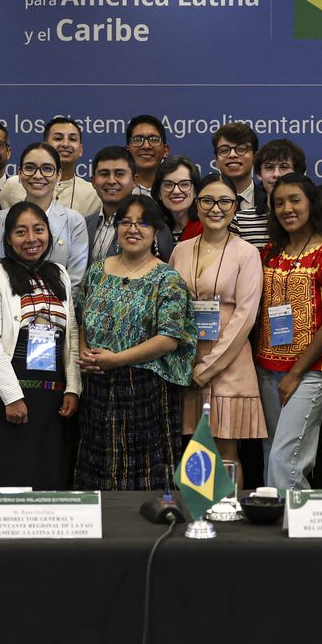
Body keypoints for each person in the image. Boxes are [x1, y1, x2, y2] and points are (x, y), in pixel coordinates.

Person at [75, 197, 196, 490]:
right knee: (98, 466)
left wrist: (116, 359)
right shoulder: (97, 270)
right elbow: (81, 316)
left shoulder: (167, 278)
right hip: (97, 384)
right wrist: (83, 349)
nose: (133, 229)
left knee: (144, 474)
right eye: (126, 222)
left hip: (145, 387)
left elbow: (169, 339)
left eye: (143, 223)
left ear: (156, 232)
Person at [0, 202, 83, 489]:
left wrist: (73, 387)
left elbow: (71, 334)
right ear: (8, 238)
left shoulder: (60, 273)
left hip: (52, 395)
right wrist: (12, 397)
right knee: (5, 477)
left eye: (39, 230)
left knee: (48, 475)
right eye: (21, 232)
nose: (31, 239)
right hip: (4, 393)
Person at [171, 174, 265, 488]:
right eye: (208, 200)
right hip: (188, 360)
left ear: (235, 207)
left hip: (230, 362)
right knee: (196, 448)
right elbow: (170, 307)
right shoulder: (181, 250)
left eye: (225, 201)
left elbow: (245, 316)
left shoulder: (246, 253)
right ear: (197, 205)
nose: (216, 208)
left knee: (225, 450)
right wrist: (185, 363)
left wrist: (209, 367)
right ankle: (199, 518)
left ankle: (229, 525)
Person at [254, 173, 322, 489]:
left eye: (295, 200)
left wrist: (295, 373)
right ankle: (280, 525)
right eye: (279, 203)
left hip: (310, 373)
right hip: (266, 369)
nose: (287, 208)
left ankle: (299, 533)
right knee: (272, 454)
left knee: (285, 461)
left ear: (312, 203)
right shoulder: (269, 252)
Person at [0, 143, 89, 298]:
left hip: (58, 313)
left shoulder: (74, 221)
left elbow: (74, 283)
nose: (38, 175)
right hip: (9, 311)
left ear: (58, 175)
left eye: (47, 169)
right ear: (19, 173)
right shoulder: (1, 219)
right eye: (29, 168)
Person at [0, 117, 102, 216]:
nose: (65, 144)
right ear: (45, 146)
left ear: (80, 150)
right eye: (58, 138)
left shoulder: (93, 194)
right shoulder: (13, 186)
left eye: (72, 139)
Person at [87, 146, 173, 260]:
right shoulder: (84, 225)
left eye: (119, 174)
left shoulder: (152, 223)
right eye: (104, 174)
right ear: (93, 181)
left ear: (135, 180)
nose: (111, 181)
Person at [213, 122, 269, 248]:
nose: (232, 155)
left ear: (255, 156)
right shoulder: (204, 202)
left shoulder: (271, 200)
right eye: (224, 150)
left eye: (241, 149)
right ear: (216, 160)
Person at [153, 155, 201, 242]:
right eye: (168, 185)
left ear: (195, 192)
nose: (176, 191)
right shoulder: (153, 231)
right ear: (159, 193)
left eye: (184, 184)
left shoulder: (207, 229)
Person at [126, 114, 170, 195]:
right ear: (127, 150)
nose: (146, 146)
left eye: (153, 139)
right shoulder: (116, 190)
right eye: (138, 139)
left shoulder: (177, 190)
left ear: (165, 151)